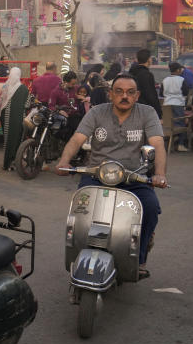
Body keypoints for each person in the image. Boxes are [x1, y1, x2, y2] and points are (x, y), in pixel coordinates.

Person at [55, 74, 167, 278]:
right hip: (97, 175)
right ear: (110, 94)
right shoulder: (97, 112)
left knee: (150, 207)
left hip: (134, 177)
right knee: (80, 210)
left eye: (130, 92)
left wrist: (159, 174)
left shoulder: (147, 113)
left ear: (137, 95)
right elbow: (77, 139)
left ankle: (139, 258)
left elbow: (157, 144)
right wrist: (64, 161)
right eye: (119, 91)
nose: (125, 96)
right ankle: (78, 252)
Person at [0, 66, 28, 172]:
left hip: (5, 117)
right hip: (18, 118)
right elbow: (28, 104)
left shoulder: (5, 86)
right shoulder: (23, 88)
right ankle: (14, 163)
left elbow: (0, 101)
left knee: (7, 141)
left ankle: (6, 164)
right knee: (16, 140)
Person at [161, 62, 190, 153]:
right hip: (178, 104)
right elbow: (185, 92)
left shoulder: (165, 80)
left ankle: (170, 143)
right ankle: (181, 144)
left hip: (166, 105)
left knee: (169, 124)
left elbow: (161, 93)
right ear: (178, 70)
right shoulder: (181, 79)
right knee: (180, 123)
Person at [129, 48, 162, 114]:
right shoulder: (147, 74)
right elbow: (151, 95)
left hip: (131, 108)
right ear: (148, 59)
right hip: (145, 110)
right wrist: (159, 113)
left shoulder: (130, 73)